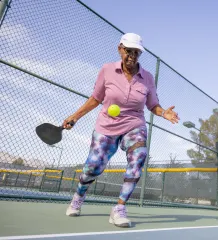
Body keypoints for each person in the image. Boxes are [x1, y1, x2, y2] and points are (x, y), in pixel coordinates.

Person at [62, 33, 180, 228]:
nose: (132, 56)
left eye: (137, 52)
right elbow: (95, 99)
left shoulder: (148, 78)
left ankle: (119, 208)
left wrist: (163, 113)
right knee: (93, 167)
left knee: (139, 157)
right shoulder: (107, 70)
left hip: (134, 124)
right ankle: (78, 197)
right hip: (106, 126)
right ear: (120, 49)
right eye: (129, 51)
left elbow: (153, 105)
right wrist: (75, 116)